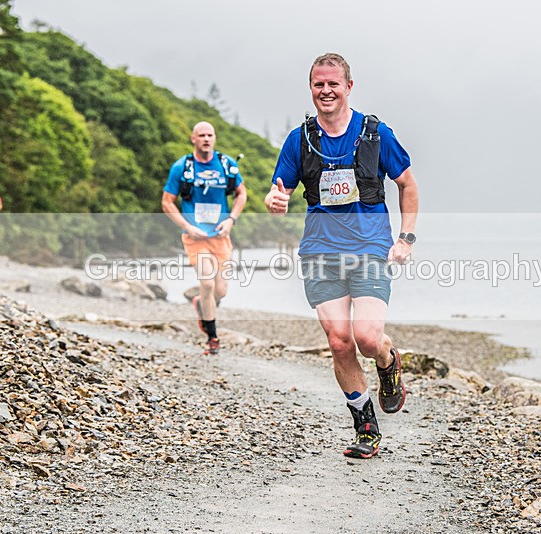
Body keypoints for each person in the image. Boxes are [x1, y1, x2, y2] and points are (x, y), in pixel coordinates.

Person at [265, 53, 419, 459]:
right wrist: (274, 199)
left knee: (367, 338)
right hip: (320, 251)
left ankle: (387, 364)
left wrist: (405, 239)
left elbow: (407, 185)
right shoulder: (301, 139)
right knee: (338, 342)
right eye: (319, 84)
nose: (326, 91)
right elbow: (278, 189)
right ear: (311, 89)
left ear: (349, 87)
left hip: (369, 249)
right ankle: (365, 424)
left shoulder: (375, 133)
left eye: (334, 83)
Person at [162, 121, 247, 355]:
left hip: (220, 236)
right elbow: (167, 202)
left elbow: (241, 194)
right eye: (201, 135)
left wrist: (231, 220)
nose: (206, 139)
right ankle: (213, 337)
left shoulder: (226, 164)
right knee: (207, 282)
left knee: (221, 291)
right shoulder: (182, 167)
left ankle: (200, 303)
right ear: (193, 139)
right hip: (195, 237)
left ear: (215, 138)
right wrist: (187, 226)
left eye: (210, 134)